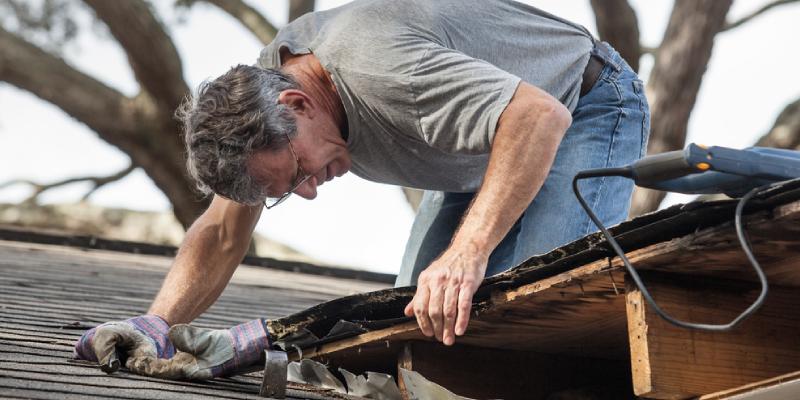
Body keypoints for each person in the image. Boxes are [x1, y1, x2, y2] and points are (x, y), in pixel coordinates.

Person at [74, 0, 649, 379]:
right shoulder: (255, 107)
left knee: (537, 314)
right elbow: (224, 230)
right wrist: (156, 324)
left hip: (582, 104)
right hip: (478, 150)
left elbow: (536, 117)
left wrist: (468, 253)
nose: (308, 192)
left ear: (297, 105)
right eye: (286, 189)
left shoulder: (379, 70)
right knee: (420, 334)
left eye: (298, 172)